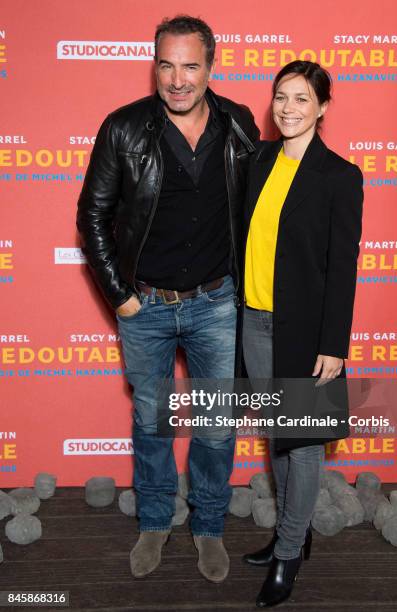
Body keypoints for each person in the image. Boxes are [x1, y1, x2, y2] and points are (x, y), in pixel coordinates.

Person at [76, 15, 259, 583]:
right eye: (166, 64)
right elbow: (93, 216)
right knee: (152, 422)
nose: (177, 79)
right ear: (154, 64)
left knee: (215, 426)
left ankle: (207, 525)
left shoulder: (240, 125)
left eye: (190, 65)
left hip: (217, 303)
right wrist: (121, 297)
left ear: (211, 66)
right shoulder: (124, 128)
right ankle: (155, 519)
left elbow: (262, 210)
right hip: (146, 306)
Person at [240, 60, 363, 607]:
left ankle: (290, 551)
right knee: (277, 437)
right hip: (253, 322)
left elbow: (343, 267)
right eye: (281, 97)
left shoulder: (340, 176)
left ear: (322, 108)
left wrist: (334, 344)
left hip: (307, 334)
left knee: (305, 446)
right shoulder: (259, 159)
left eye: (301, 99)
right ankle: (293, 533)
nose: (287, 109)